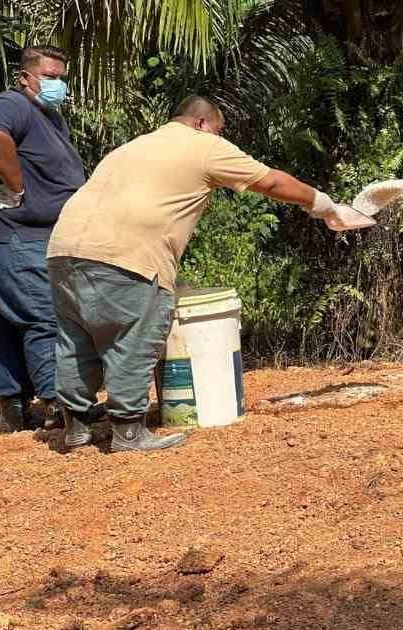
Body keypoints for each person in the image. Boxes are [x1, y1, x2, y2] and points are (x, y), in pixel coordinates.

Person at [47, 96, 373, 452]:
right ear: (202, 123)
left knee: (76, 340)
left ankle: (75, 428)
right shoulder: (203, 146)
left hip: (63, 249)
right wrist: (326, 207)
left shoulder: (133, 146)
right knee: (135, 336)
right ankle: (128, 432)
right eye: (219, 130)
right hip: (128, 253)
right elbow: (272, 182)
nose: (221, 137)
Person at [0, 45, 86, 433]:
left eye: (61, 77)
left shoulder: (47, 116)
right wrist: (16, 187)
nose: (58, 84)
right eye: (50, 76)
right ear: (25, 78)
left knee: (12, 318)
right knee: (43, 315)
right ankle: (61, 406)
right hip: (14, 234)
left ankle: (13, 408)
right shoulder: (12, 105)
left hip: (25, 235)